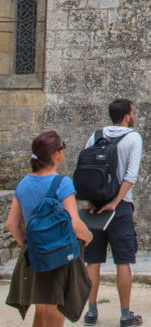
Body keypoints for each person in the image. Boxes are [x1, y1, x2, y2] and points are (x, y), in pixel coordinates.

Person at [5, 130, 93, 327]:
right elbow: (74, 223)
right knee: (55, 313)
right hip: (58, 256)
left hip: (35, 257)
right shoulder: (63, 183)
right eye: (63, 148)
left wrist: (30, 247)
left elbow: (12, 224)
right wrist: (88, 238)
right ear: (55, 154)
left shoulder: (23, 184)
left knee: (42, 310)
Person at [82, 98, 143, 327]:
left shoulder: (96, 135)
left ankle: (91, 312)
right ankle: (125, 315)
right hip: (120, 207)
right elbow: (131, 176)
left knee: (93, 261)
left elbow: (87, 170)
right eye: (133, 113)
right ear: (127, 115)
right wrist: (116, 201)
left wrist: (91, 200)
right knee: (123, 262)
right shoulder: (132, 137)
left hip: (96, 206)